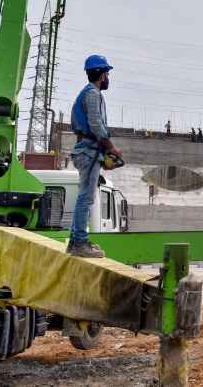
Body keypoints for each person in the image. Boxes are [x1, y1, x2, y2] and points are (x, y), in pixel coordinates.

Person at [69, 54, 120, 258]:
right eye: (107, 73)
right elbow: (96, 124)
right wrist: (111, 148)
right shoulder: (93, 94)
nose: (108, 77)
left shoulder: (90, 93)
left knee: (85, 197)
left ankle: (76, 241)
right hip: (89, 150)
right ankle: (79, 243)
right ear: (101, 74)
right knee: (86, 197)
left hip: (88, 149)